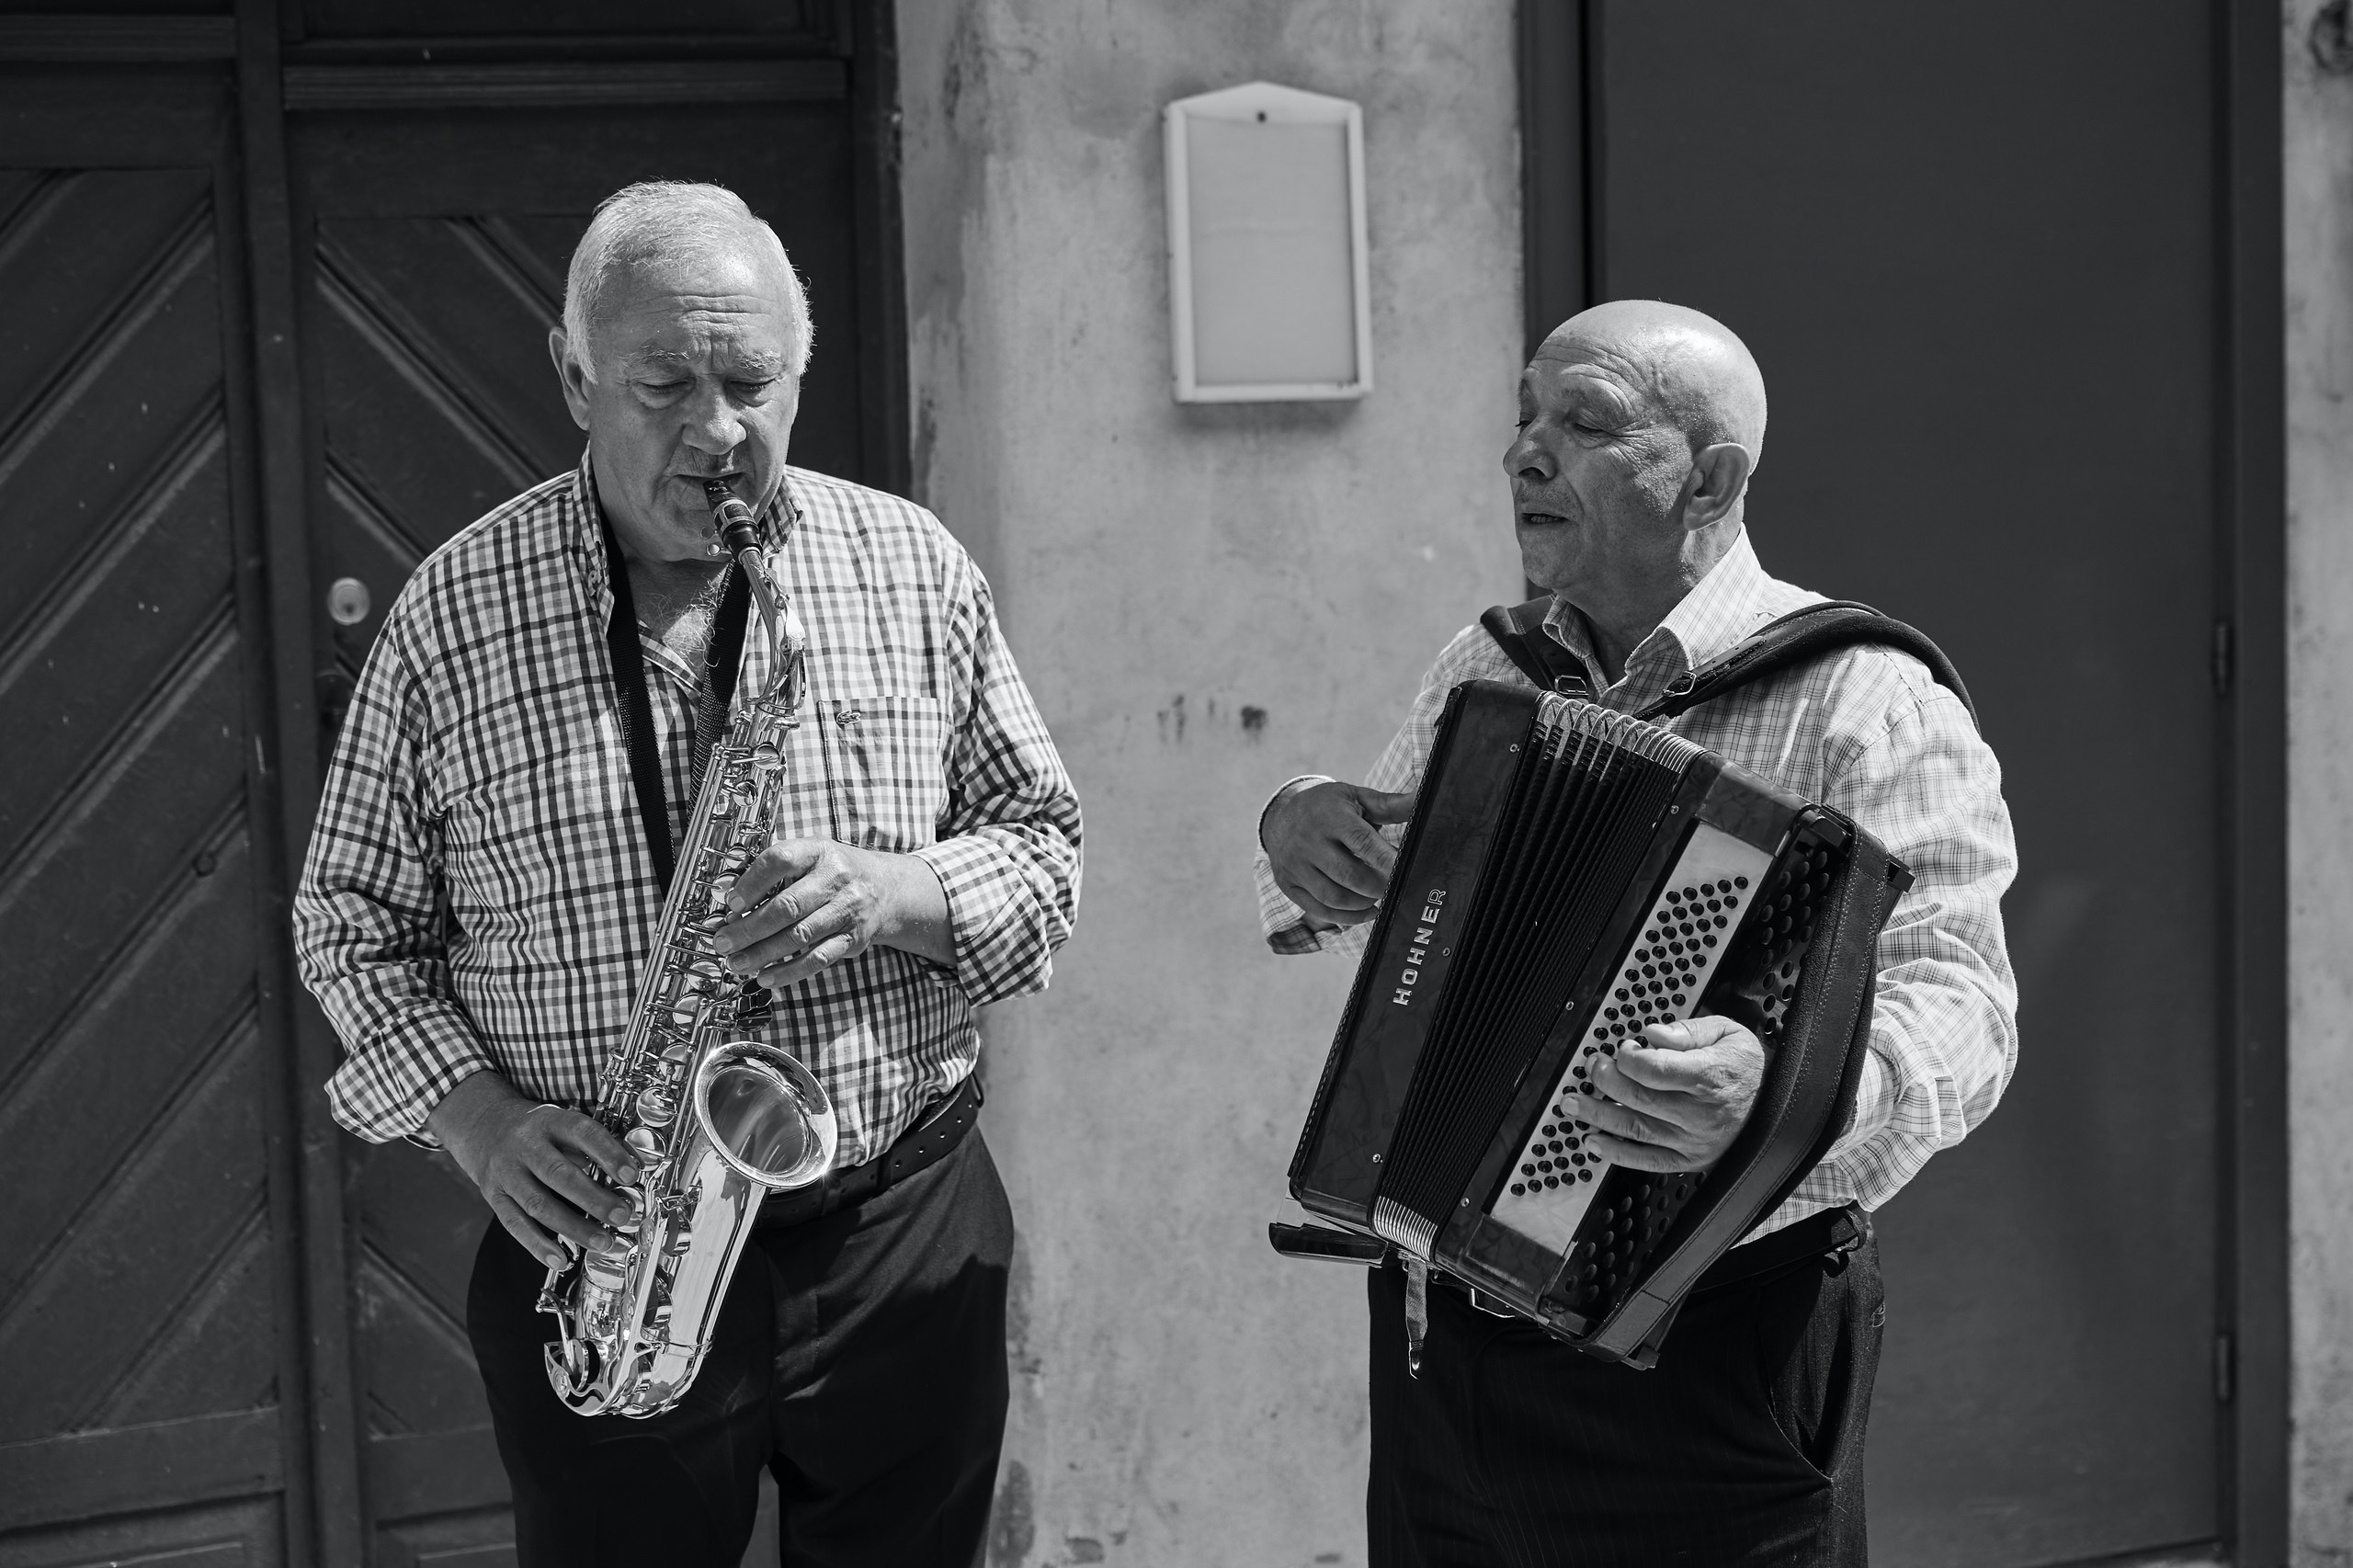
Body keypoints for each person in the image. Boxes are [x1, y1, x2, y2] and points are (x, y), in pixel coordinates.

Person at [294, 180, 1081, 1568]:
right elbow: (348, 927)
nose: (719, 432)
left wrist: (894, 892)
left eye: (752, 382)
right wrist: (479, 1124)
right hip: (605, 1243)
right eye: (664, 383)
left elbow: (1043, 846)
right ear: (573, 376)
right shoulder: (453, 613)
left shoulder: (909, 567)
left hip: (901, 1223)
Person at [1255, 301, 2017, 1565]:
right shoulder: (1490, 667)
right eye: (1522, 419)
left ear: (1709, 477)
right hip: (1448, 1348)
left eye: (1584, 423)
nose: (1524, 454)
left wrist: (1786, 1086)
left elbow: (1966, 1006)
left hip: (1716, 1346)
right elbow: (1382, 897)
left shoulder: (1864, 696)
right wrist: (1302, 828)